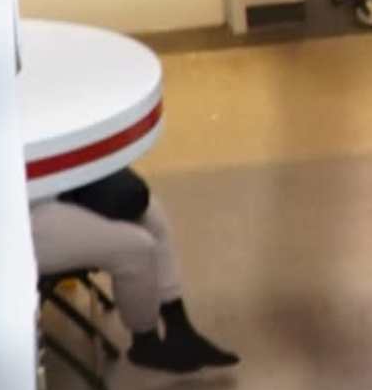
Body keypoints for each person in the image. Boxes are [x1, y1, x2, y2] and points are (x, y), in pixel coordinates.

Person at [32, 161, 234, 378]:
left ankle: (179, 327)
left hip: (51, 180)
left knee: (149, 212)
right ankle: (146, 343)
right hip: (14, 218)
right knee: (136, 248)